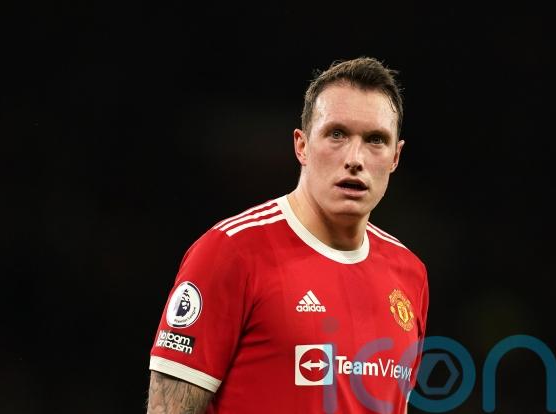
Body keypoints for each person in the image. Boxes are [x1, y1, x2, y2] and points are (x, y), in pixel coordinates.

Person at [147, 57, 429, 414]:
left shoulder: (409, 273)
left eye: (375, 139)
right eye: (337, 134)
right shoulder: (231, 251)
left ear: (395, 157)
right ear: (302, 145)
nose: (355, 158)